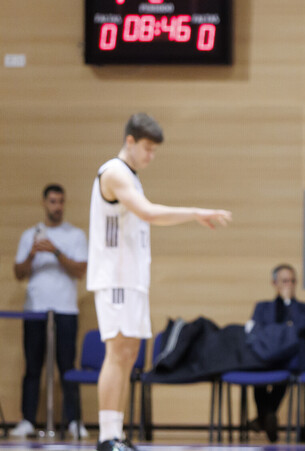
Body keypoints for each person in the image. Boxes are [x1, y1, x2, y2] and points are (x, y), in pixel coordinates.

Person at [87, 113, 232, 451]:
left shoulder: (132, 177)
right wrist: (196, 212)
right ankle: (107, 436)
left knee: (129, 353)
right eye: (147, 148)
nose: (151, 156)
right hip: (116, 278)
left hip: (133, 278)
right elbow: (149, 213)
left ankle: (117, 431)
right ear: (130, 142)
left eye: (155, 150)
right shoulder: (114, 172)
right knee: (117, 351)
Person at [12, 184, 89, 439]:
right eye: (53, 202)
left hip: (65, 311)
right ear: (44, 203)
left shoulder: (75, 235)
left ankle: (74, 420)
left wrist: (55, 251)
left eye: (61, 202)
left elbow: (80, 270)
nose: (57, 207)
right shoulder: (29, 235)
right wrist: (33, 253)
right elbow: (19, 273)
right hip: (35, 312)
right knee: (33, 367)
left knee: (66, 366)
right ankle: (27, 420)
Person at [248, 264, 305, 442]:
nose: (289, 285)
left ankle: (263, 418)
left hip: (291, 356)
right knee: (256, 371)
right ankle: (267, 415)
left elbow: (302, 327)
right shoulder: (262, 307)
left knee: (286, 369)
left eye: (292, 281)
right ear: (274, 283)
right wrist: (286, 329)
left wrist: (288, 304)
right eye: (284, 281)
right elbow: (257, 331)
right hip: (265, 354)